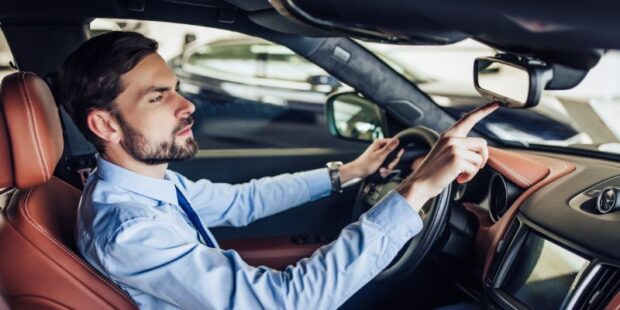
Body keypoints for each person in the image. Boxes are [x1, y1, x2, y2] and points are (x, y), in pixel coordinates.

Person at [60, 31, 498, 309]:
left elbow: (241, 201)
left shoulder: (138, 186)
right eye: (158, 97)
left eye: (176, 89)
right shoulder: (131, 228)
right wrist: (416, 190)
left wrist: (349, 171)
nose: (187, 105)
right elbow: (285, 302)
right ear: (105, 124)